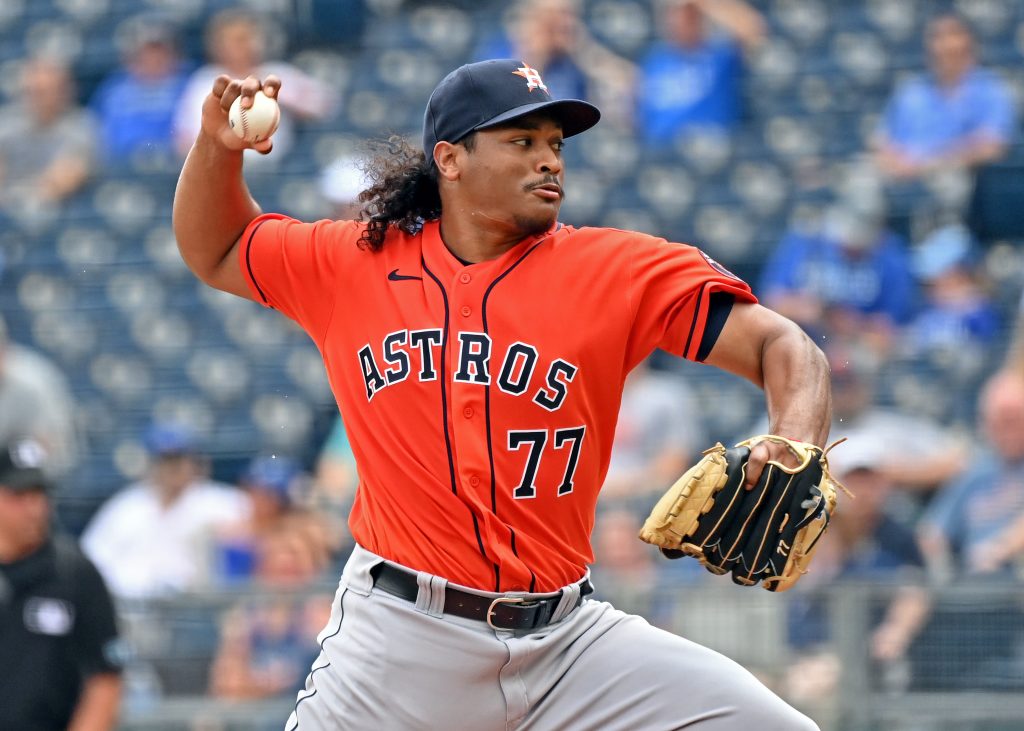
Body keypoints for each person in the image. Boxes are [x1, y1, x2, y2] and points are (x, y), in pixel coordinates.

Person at [173, 59, 830, 729]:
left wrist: (793, 436)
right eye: (521, 142)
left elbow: (784, 346)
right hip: (400, 640)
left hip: (568, 642)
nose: (549, 161)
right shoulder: (354, 263)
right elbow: (218, 247)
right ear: (450, 159)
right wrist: (217, 151)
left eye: (555, 144)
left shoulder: (613, 270)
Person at [0, 438, 124, 730]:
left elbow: (105, 676)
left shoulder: (75, 573)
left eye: (40, 494)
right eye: (19, 496)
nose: (35, 508)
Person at [81, 422, 251, 599]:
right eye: (165, 460)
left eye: (178, 459)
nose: (172, 468)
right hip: (133, 607)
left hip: (198, 607)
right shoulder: (126, 507)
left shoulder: (222, 502)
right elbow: (92, 559)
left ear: (193, 462)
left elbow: (262, 535)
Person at [173, 8, 336, 167]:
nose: (241, 47)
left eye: (246, 38)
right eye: (233, 40)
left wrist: (286, 98)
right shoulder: (204, 81)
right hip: (220, 169)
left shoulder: (276, 74)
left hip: (274, 170)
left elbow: (327, 106)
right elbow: (184, 136)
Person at [873, 13, 1015, 184]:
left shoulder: (990, 89)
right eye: (937, 37)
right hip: (906, 186)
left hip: (964, 184)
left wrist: (932, 165)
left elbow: (993, 146)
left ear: (970, 45)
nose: (944, 45)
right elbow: (883, 143)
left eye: (952, 34)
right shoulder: (911, 92)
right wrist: (894, 165)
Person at [474, 0, 634, 128]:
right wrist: (536, 55)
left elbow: (624, 88)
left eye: (568, 16)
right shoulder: (501, 49)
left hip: (573, 139)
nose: (562, 24)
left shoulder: (577, 53)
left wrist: (583, 50)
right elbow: (502, 108)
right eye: (552, 17)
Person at [636, 0, 765, 146]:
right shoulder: (654, 61)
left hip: (713, 149)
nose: (679, 21)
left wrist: (704, 3)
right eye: (674, 15)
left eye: (688, 16)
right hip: (665, 153)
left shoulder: (720, 55)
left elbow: (753, 30)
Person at [90, 15, 192, 169]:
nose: (153, 59)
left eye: (159, 52)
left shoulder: (187, 86)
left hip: (173, 169)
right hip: (120, 171)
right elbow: (97, 136)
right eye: (146, 52)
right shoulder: (113, 90)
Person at [0, 57, 98, 213]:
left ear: (64, 91)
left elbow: (64, 179)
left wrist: (23, 199)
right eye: (31, 92)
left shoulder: (82, 125)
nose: (36, 99)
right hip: (8, 209)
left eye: (44, 92)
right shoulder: (6, 122)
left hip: (63, 214)